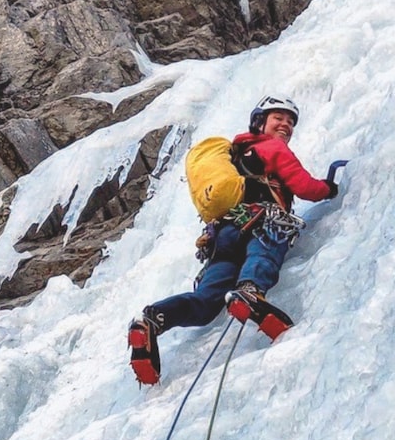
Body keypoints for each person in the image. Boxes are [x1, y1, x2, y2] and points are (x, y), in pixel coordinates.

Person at [128, 96, 339, 384]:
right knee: (263, 254)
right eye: (279, 118)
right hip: (260, 222)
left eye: (290, 122)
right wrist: (328, 188)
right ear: (259, 122)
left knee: (205, 303)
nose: (286, 126)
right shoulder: (272, 148)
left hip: (223, 237)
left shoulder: (235, 158)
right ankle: (250, 291)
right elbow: (305, 187)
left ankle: (152, 319)